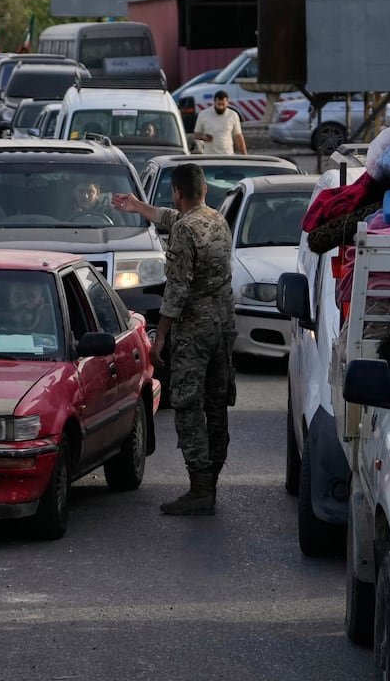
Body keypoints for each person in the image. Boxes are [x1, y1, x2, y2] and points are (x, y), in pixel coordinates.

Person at [112, 163, 236, 516]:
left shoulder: (184, 231)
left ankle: (199, 488)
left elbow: (177, 290)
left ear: (177, 192)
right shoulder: (216, 219)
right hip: (223, 327)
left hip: (195, 330)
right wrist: (139, 207)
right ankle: (209, 483)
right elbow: (173, 219)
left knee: (187, 403)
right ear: (204, 191)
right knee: (216, 403)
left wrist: (161, 336)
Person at [192, 90, 247, 155]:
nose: (221, 107)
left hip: (228, 155)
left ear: (227, 102)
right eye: (218, 104)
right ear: (214, 102)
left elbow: (238, 136)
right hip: (208, 155)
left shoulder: (233, 115)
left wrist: (245, 155)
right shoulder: (203, 114)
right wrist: (203, 137)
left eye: (223, 104)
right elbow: (196, 135)